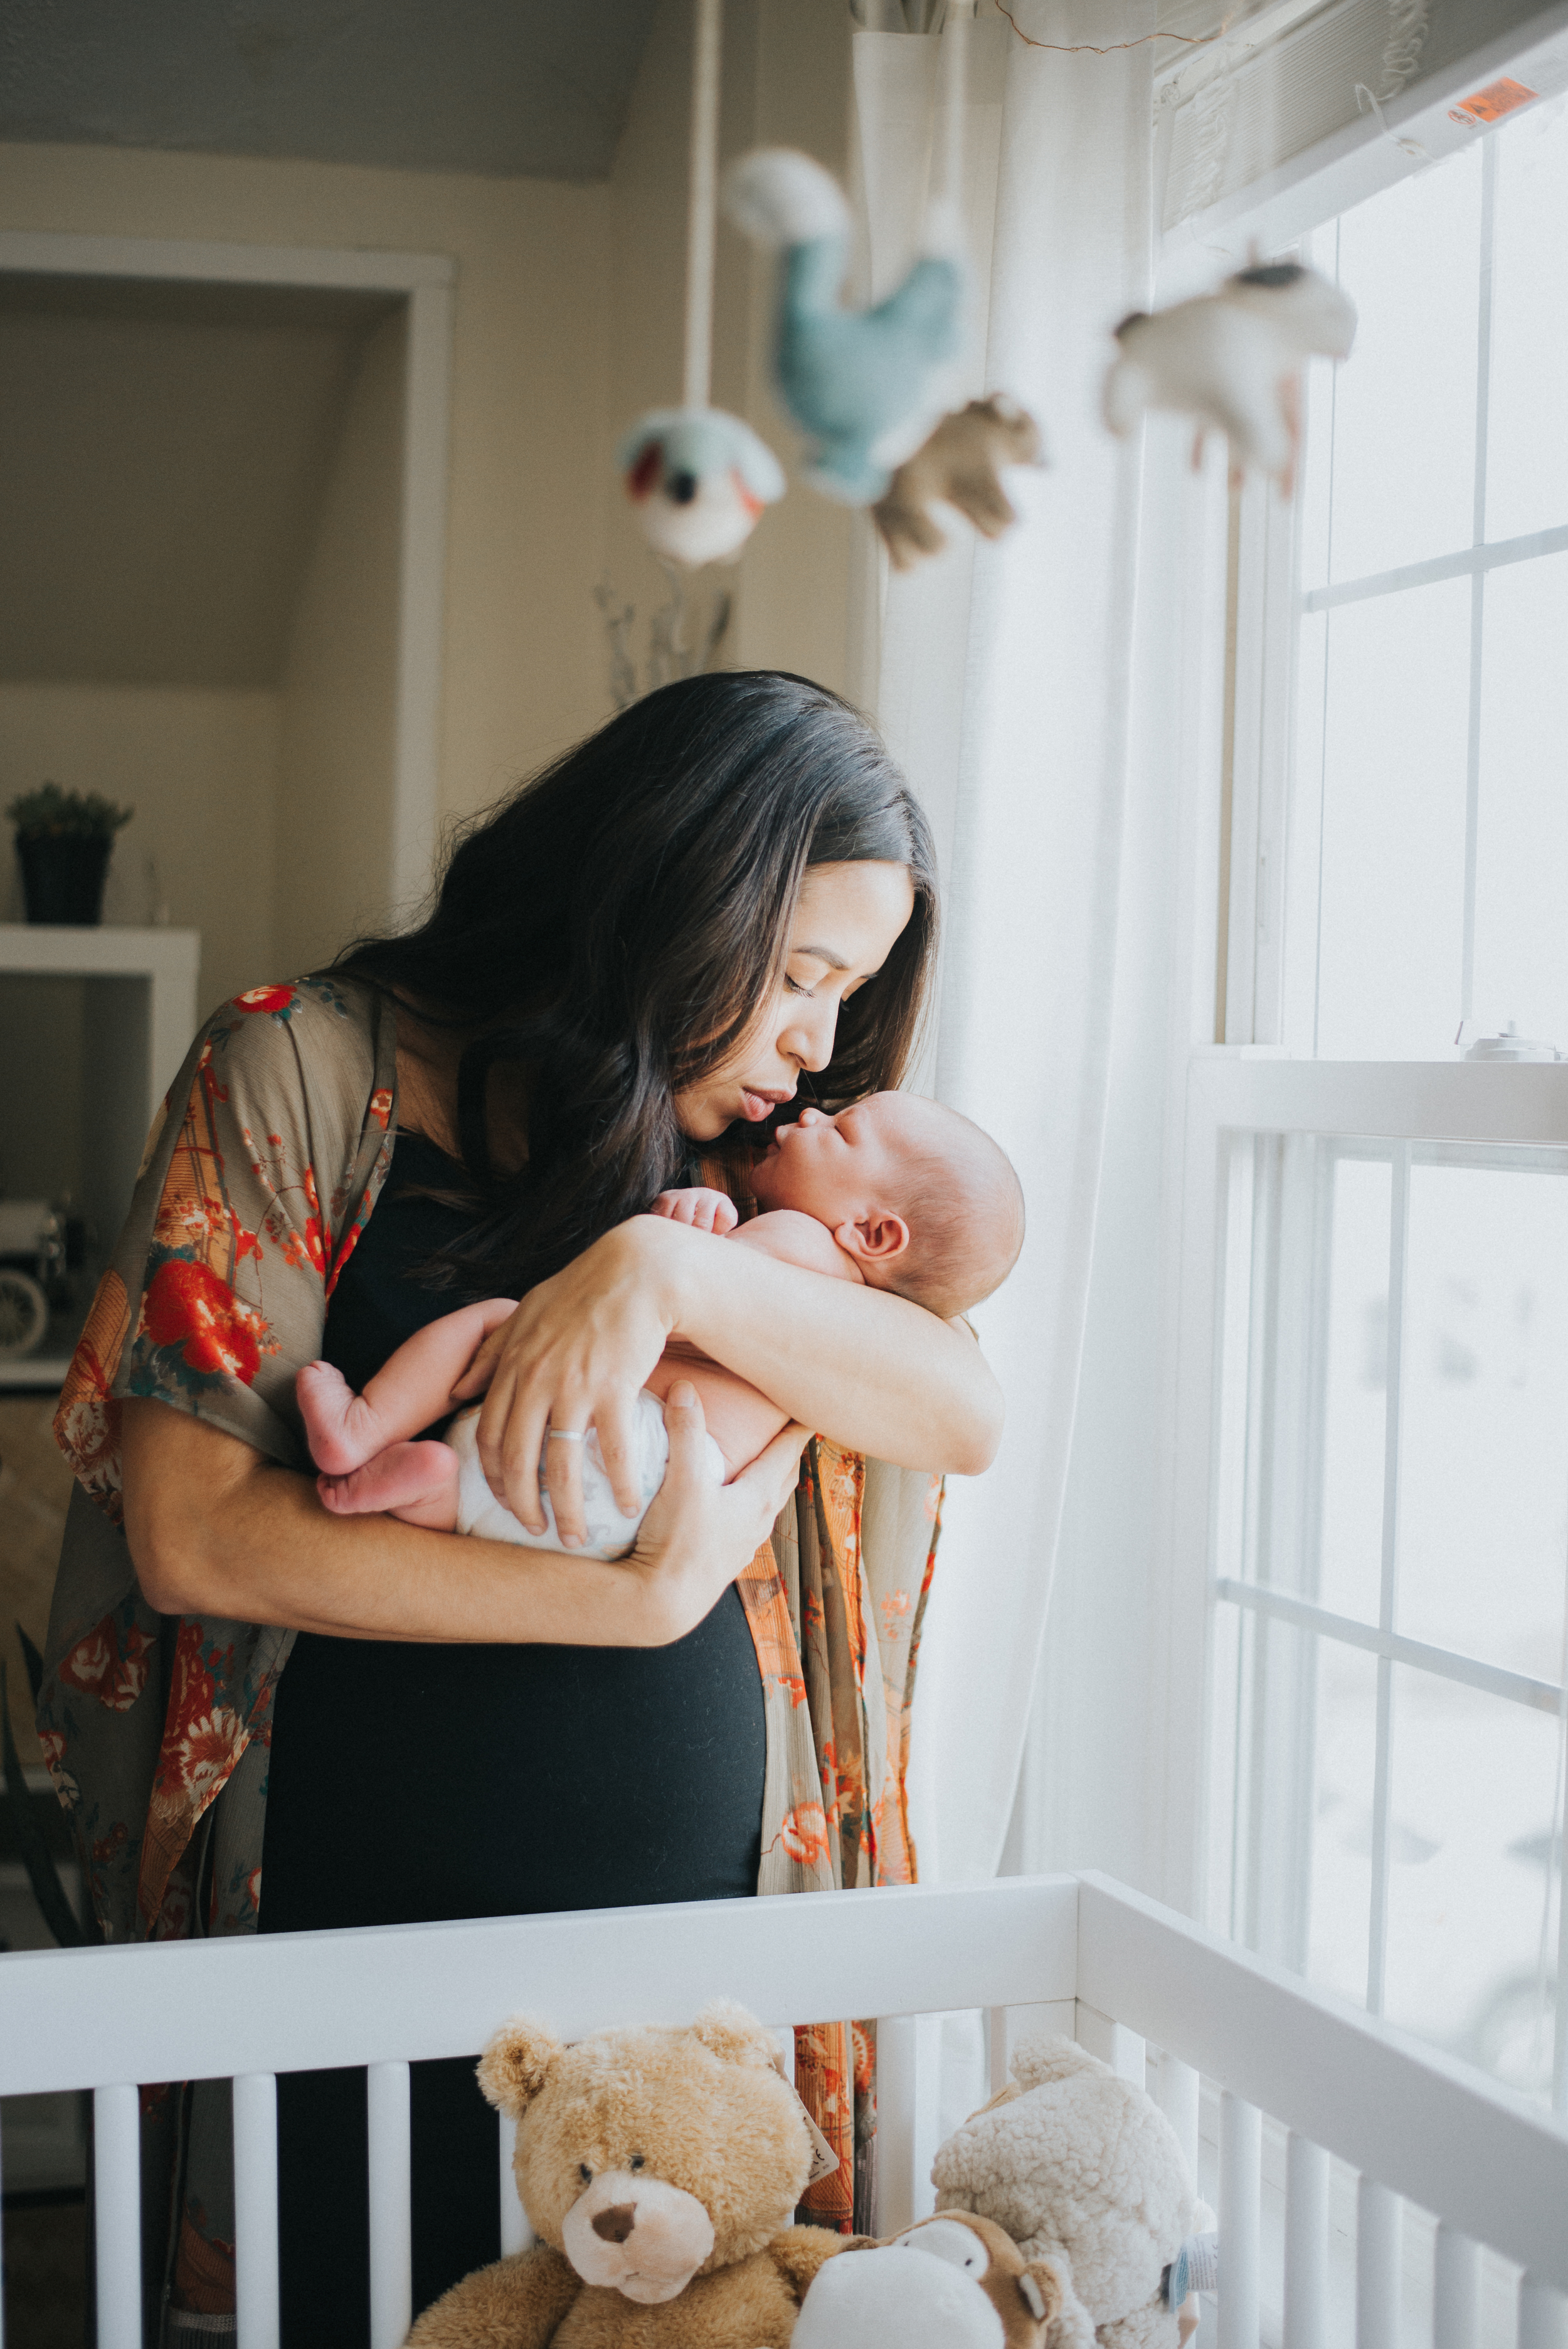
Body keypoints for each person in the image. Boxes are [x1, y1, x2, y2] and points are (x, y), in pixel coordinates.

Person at [40, 671, 1003, 2346]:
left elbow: (956, 1406)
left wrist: (653, 1271)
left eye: (843, 1000)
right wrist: (623, 1602)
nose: (811, 1048)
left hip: (687, 2001)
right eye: (796, 978)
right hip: (348, 1960)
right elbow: (194, 1532)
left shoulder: (727, 1177)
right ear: (670, 890)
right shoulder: (305, 1068)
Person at [299, 1092, 1024, 1557]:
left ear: (872, 1231)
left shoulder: (799, 1240)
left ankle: (363, 1426)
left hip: (620, 1430)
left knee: (496, 1324)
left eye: (840, 1130)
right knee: (487, 1503)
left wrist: (679, 1230)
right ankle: (430, 1487)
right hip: (648, 1501)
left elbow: (650, 1315)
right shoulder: (866, 1323)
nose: (809, 1114)